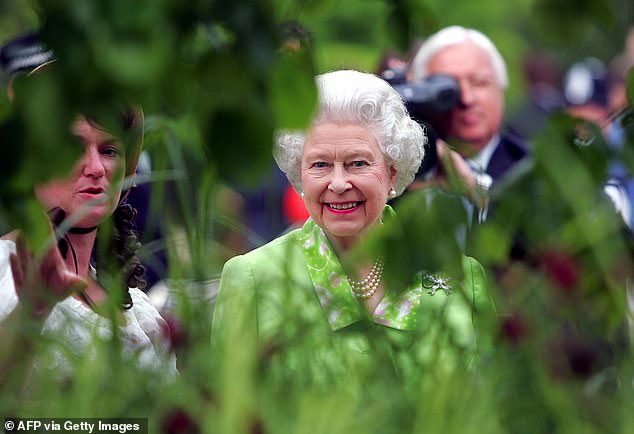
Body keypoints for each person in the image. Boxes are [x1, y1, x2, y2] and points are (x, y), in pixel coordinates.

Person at [211, 70, 491, 389]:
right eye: (320, 165)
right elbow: (227, 412)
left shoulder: (461, 276)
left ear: (391, 172)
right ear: (300, 177)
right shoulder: (254, 279)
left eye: (358, 163)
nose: (340, 183)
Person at [0, 33, 176, 383]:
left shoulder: (140, 312)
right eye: (73, 148)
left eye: (110, 151)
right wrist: (31, 313)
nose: (95, 167)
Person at [408, 26, 530, 219]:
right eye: (449, 88)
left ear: (501, 89)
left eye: (479, 82)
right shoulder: (397, 169)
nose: (466, 98)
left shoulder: (532, 171)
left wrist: (474, 193)